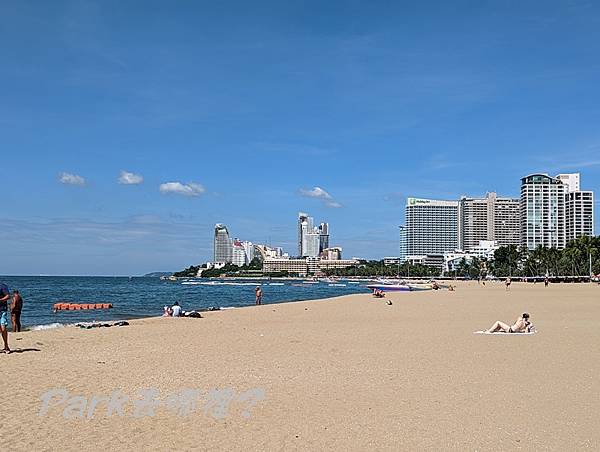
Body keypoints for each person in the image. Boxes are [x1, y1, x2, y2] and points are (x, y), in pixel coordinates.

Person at [0, 283, 11, 353]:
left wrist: (0, 300)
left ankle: (6, 346)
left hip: (2, 310)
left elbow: (8, 296)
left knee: (3, 328)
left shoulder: (2, 286)